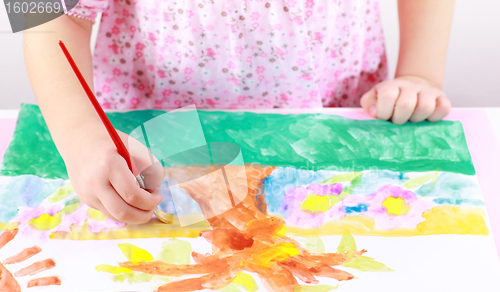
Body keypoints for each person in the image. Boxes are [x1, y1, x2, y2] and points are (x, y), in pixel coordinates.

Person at [24, 0, 455, 224]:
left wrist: (419, 74)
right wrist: (80, 136)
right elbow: (46, 13)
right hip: (151, 147)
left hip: (332, 127)